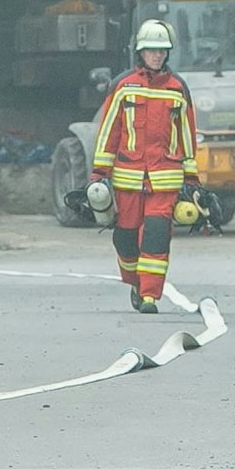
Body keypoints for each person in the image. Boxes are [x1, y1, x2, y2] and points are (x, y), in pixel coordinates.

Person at [88, 19, 202, 314]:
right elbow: (110, 131)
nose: (157, 56)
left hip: (165, 178)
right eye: (151, 50)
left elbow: (187, 134)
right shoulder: (124, 87)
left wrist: (191, 177)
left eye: (162, 51)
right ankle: (135, 280)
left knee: (156, 234)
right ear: (141, 52)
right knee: (125, 236)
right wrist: (100, 173)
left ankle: (150, 294)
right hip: (128, 177)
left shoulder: (177, 89)